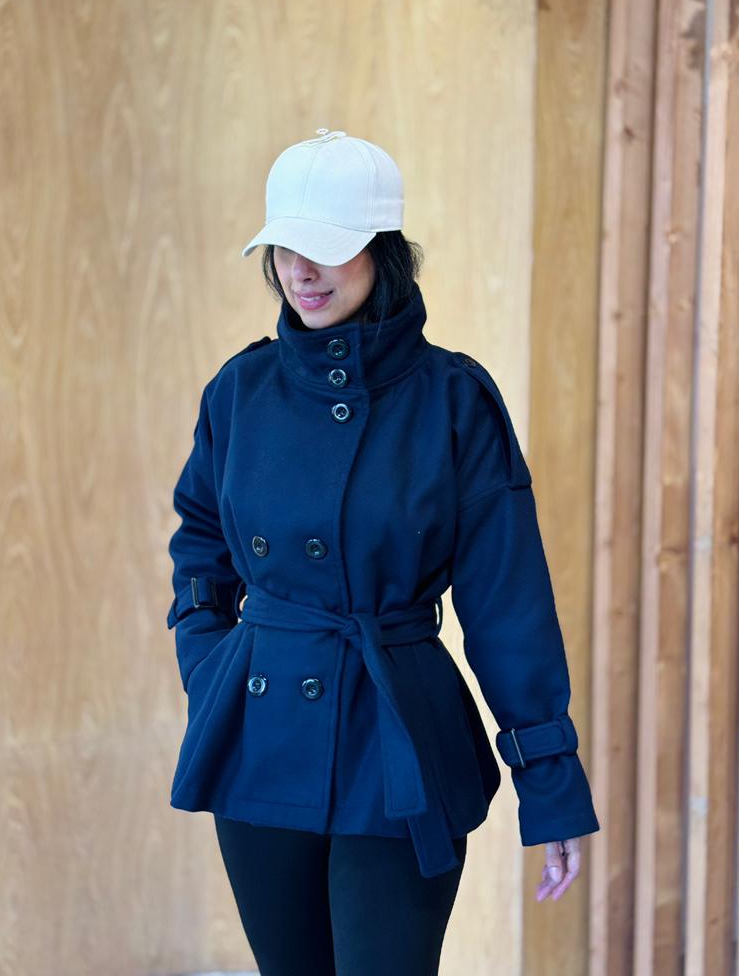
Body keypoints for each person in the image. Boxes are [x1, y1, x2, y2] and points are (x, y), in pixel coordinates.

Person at [165, 128, 600, 976]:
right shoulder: (241, 391)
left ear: (383, 248)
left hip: (396, 738)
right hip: (261, 730)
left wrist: (550, 782)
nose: (300, 270)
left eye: (326, 247)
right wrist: (210, 666)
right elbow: (200, 541)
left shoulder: (453, 401)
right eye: (283, 247)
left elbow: (508, 604)